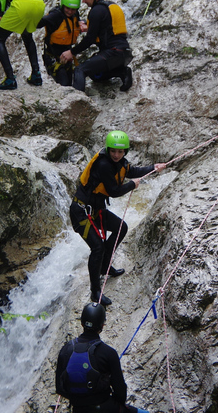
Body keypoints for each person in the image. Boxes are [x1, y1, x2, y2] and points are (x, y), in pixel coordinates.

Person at [69, 130, 166, 306]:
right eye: (113, 151)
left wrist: (153, 167)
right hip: (81, 212)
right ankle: (95, 292)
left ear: (125, 152)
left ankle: (105, 266)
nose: (116, 154)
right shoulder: (104, 164)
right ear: (108, 149)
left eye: (120, 152)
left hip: (96, 209)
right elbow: (114, 191)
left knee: (121, 227)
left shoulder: (120, 162)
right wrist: (131, 185)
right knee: (97, 247)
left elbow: (133, 171)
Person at [56, 302, 151, 413]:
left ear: (82, 322)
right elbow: (120, 391)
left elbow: (59, 388)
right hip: (106, 408)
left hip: (78, 409)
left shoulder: (66, 350)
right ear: (102, 325)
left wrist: (80, 400)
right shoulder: (108, 353)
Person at [59, 0, 133, 93]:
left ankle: (77, 99)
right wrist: (88, 28)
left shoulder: (96, 11)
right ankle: (123, 72)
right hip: (124, 53)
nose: (83, 1)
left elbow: (90, 39)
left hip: (112, 53)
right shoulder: (111, 5)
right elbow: (108, 29)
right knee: (95, 75)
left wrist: (72, 52)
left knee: (80, 70)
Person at [37, 0, 85, 86]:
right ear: (63, 5)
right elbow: (39, 23)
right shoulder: (56, 15)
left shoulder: (75, 15)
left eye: (73, 9)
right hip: (53, 57)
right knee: (64, 83)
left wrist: (82, 22)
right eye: (68, 8)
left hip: (67, 56)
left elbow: (75, 23)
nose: (70, 11)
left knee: (71, 84)